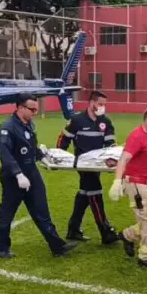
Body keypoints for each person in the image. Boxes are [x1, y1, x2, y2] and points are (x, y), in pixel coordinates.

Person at [0, 93, 78, 258]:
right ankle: (0, 248)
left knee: (41, 210)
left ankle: (57, 246)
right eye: (32, 109)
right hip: (14, 178)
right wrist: (18, 174)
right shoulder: (7, 128)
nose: (35, 113)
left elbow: (31, 148)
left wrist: (45, 156)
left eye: (36, 109)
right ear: (20, 107)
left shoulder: (29, 124)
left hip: (31, 172)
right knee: (7, 212)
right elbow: (6, 154)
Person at [108, 106, 147, 268]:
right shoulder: (137, 137)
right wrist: (117, 181)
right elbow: (123, 160)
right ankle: (146, 257)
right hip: (138, 184)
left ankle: (128, 235)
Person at [56, 90, 119, 245]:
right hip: (84, 164)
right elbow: (63, 140)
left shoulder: (106, 122)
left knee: (85, 193)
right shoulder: (77, 120)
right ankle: (105, 232)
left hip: (98, 164)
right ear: (91, 103)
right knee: (95, 192)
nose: (103, 107)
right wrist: (57, 156)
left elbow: (111, 145)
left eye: (105, 105)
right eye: (100, 104)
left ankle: (73, 229)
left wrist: (112, 159)